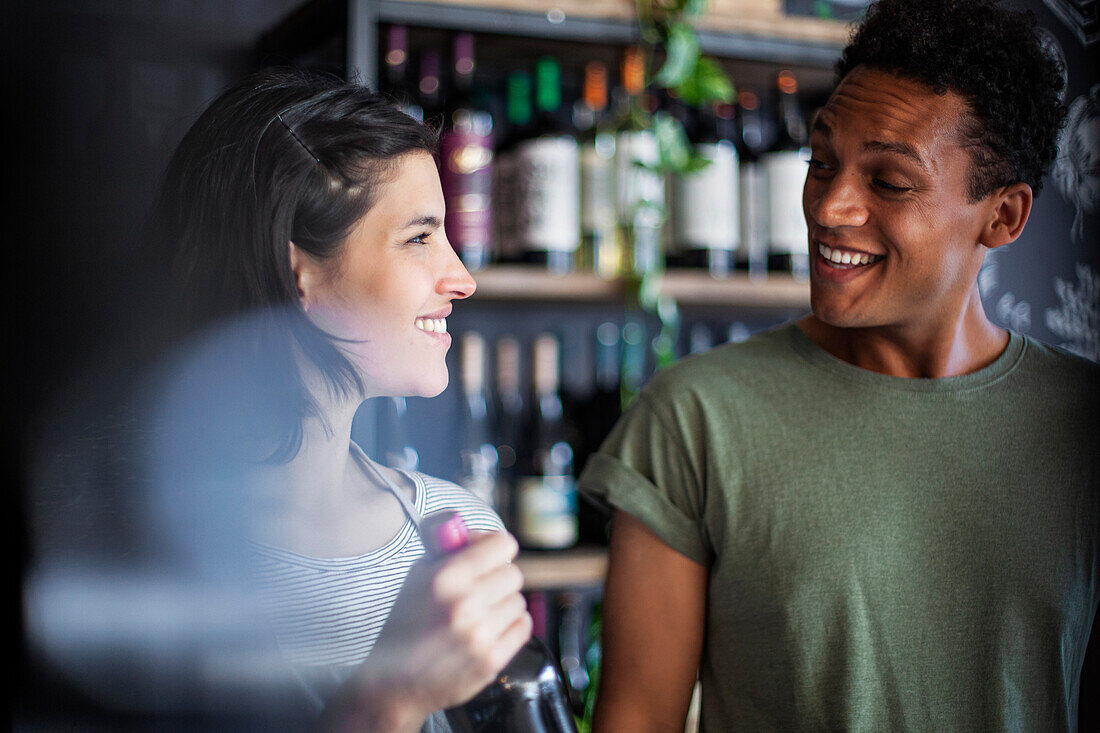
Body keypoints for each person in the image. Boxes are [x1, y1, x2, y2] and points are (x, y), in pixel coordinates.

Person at [578, 0, 1098, 730]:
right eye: (822, 162)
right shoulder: (695, 418)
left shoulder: (1083, 430)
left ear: (1004, 216)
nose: (829, 207)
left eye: (888, 181)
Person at [26, 69, 530, 732]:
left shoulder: (455, 532)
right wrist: (386, 698)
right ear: (299, 270)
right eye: (419, 237)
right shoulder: (110, 553)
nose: (461, 278)